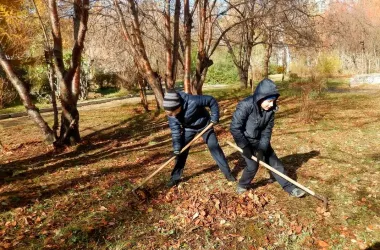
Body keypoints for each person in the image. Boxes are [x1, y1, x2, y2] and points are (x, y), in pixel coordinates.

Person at [230, 78, 306, 197]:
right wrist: (245, 146)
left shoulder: (270, 110)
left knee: (276, 164)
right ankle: (242, 185)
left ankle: (290, 188)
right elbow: (235, 127)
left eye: (274, 101)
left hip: (260, 140)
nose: (271, 104)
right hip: (246, 140)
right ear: (261, 97)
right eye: (269, 101)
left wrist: (262, 149)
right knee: (252, 166)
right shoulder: (245, 105)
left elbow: (267, 131)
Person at [163, 89, 236, 187]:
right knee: (180, 153)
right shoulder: (171, 115)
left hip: (205, 126)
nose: (172, 116)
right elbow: (175, 132)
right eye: (169, 114)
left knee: (214, 148)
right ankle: (175, 178)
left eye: (173, 113)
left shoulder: (193, 101)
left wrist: (214, 117)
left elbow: (211, 100)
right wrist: (176, 148)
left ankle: (228, 174)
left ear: (178, 106)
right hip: (188, 129)